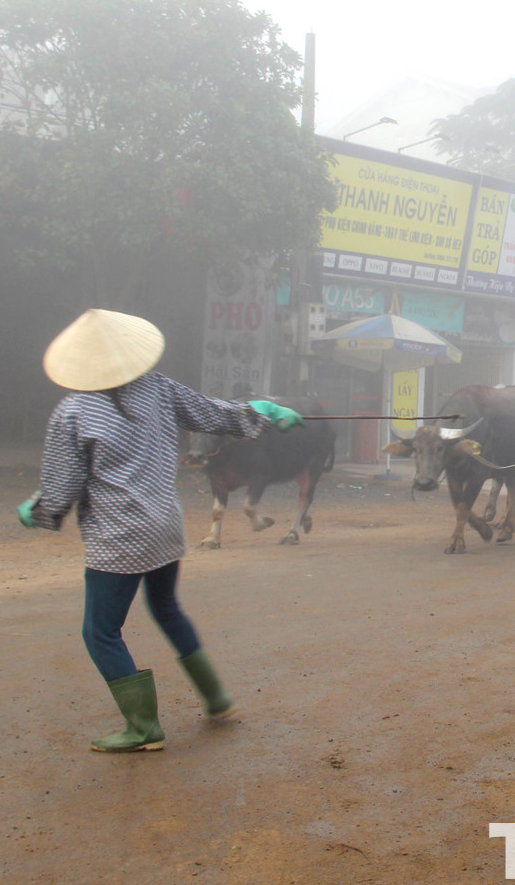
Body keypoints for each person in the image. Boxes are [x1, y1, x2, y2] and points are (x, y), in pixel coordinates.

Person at [17, 309, 304, 753]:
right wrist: (264, 411)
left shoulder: (72, 412)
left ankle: (143, 727)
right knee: (166, 607)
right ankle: (216, 695)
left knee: (100, 630)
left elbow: (62, 490)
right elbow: (214, 413)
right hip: (165, 526)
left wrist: (37, 509)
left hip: (119, 536)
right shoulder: (157, 388)